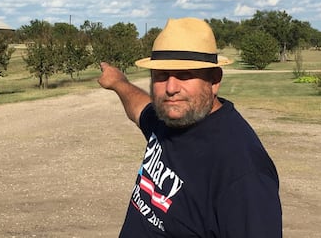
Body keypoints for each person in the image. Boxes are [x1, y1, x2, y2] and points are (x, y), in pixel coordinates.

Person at [98, 17, 282, 237]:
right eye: (161, 76)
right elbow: (140, 108)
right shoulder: (169, 119)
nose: (171, 88)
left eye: (185, 75)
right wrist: (119, 83)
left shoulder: (243, 172)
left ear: (214, 80)